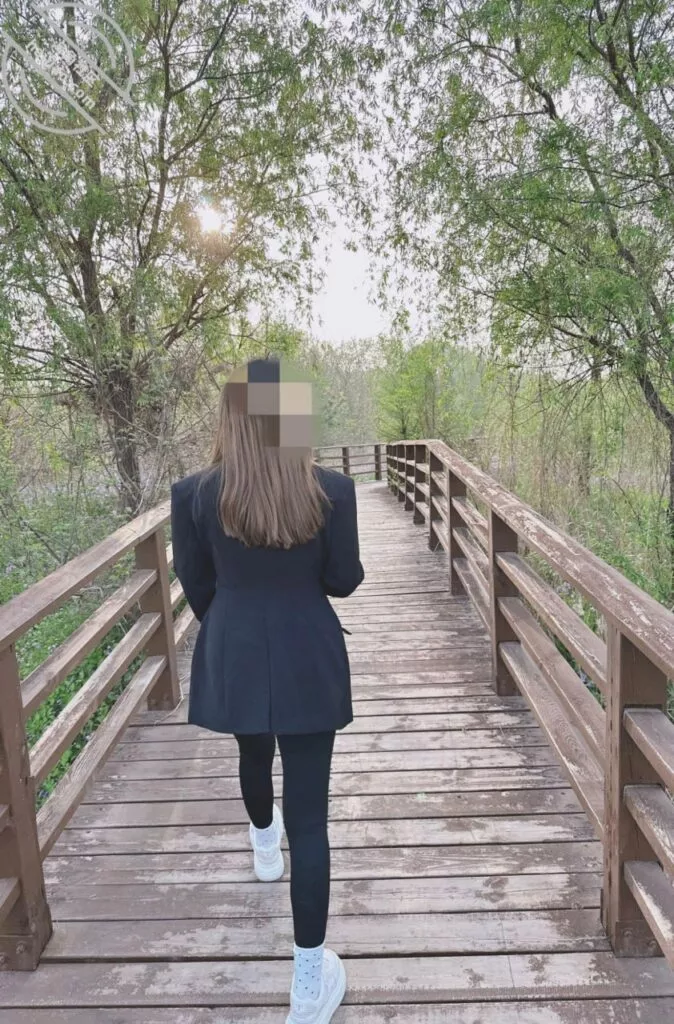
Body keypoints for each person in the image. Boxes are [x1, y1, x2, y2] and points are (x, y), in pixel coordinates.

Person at [170, 356, 365, 1024]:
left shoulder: (195, 493)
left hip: (236, 652)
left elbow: (196, 581)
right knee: (310, 821)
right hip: (309, 655)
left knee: (252, 754)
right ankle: (308, 988)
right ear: (295, 418)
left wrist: (232, 626)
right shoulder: (331, 490)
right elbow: (343, 580)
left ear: (230, 417)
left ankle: (261, 844)